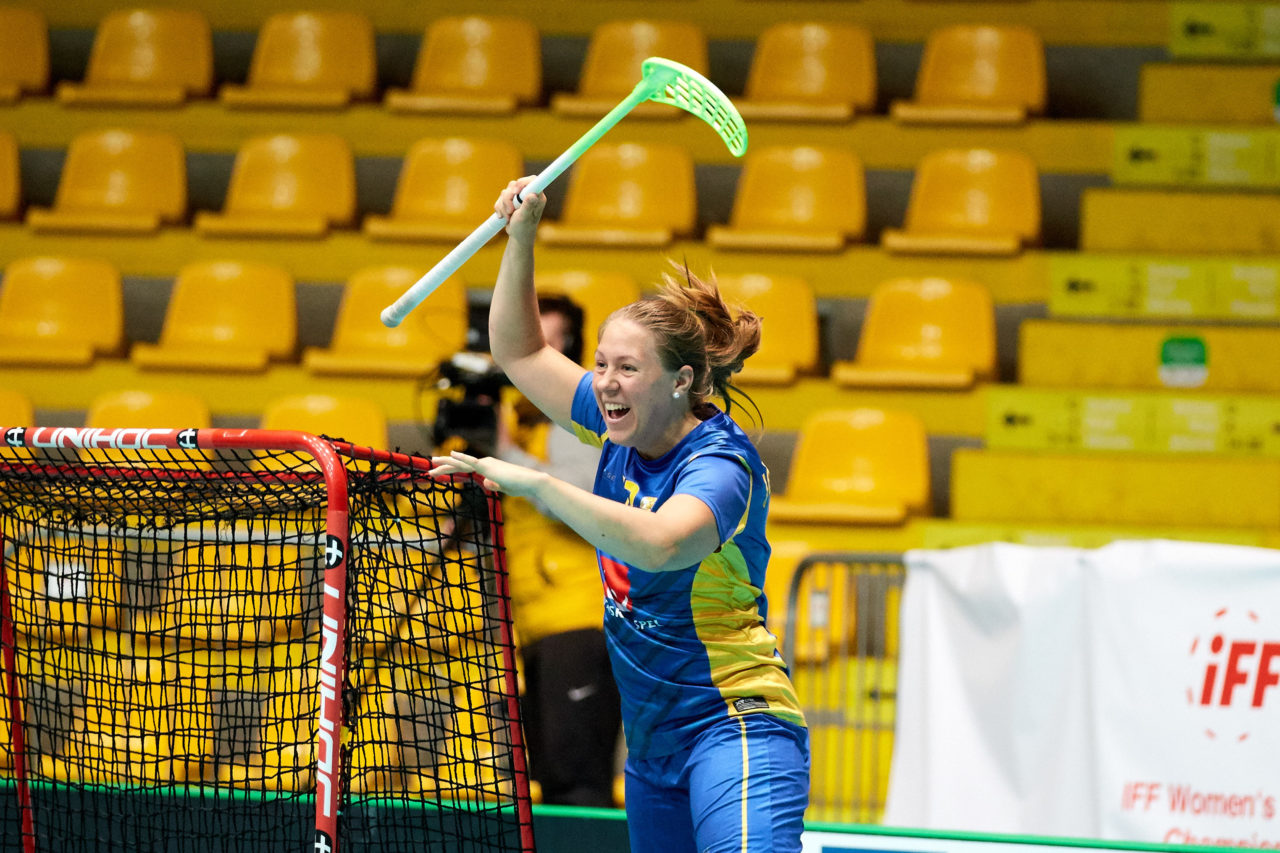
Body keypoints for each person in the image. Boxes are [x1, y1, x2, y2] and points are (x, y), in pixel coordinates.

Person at [430, 177, 809, 853]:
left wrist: (539, 486)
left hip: (735, 726)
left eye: (626, 367)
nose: (604, 381)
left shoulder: (720, 465)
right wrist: (521, 238)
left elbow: (663, 544)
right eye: (600, 363)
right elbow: (519, 352)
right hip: (653, 748)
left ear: (681, 380)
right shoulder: (618, 428)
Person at [496, 294, 622, 808]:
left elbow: (586, 502)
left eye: (553, 338)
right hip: (532, 622)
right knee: (548, 779)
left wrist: (505, 454)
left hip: (579, 617)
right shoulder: (517, 423)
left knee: (579, 779)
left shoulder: (577, 424)